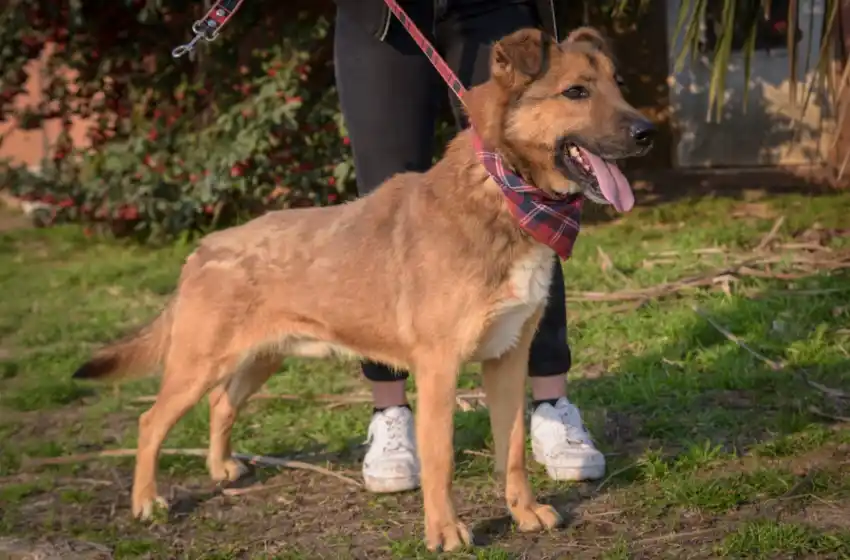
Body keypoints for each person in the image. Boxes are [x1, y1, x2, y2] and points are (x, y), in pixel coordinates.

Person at [332, 0, 606, 493]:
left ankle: (551, 404)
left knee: (535, 183)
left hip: (487, 7)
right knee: (383, 199)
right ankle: (390, 411)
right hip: (381, 17)